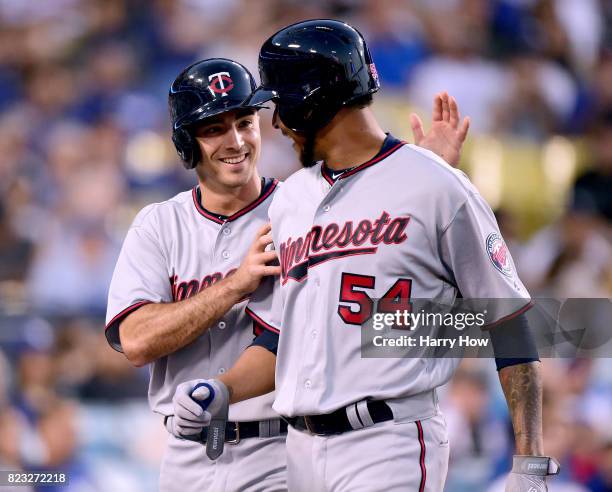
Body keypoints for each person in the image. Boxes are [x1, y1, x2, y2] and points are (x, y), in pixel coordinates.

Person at [169, 20, 561, 491]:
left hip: (388, 440)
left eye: (281, 106)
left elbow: (509, 323)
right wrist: (224, 389)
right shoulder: (291, 200)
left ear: (313, 100)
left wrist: (530, 462)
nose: (276, 124)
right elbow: (282, 340)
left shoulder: (436, 186)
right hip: (300, 452)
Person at [106, 56, 469, 492]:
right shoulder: (159, 225)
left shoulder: (304, 208)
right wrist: (235, 286)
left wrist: (423, 178)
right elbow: (137, 341)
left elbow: (372, 300)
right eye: (214, 129)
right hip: (185, 454)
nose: (236, 140)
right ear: (187, 142)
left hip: (279, 447)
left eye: (245, 122)